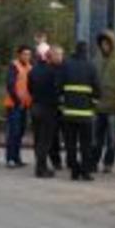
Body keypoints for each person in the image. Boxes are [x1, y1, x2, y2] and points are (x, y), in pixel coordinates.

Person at [58, 42, 100, 181]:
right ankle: (85, 172)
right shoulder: (91, 66)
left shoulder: (66, 65)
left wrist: (63, 101)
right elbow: (97, 89)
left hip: (69, 113)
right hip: (86, 114)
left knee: (70, 144)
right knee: (85, 145)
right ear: (86, 51)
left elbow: (58, 86)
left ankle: (74, 171)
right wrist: (93, 104)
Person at [92, 30, 115, 174]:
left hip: (114, 106)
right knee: (96, 138)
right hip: (99, 105)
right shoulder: (97, 59)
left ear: (112, 44)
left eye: (107, 43)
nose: (104, 46)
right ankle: (93, 162)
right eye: (102, 44)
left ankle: (108, 163)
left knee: (112, 139)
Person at [29, 45, 63, 178]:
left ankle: (40, 166)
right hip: (48, 109)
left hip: (35, 107)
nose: (60, 58)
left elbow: (30, 88)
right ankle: (41, 169)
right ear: (50, 57)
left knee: (38, 140)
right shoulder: (53, 72)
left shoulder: (34, 70)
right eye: (58, 55)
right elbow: (57, 90)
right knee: (45, 141)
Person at [4, 45, 33, 168]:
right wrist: (17, 101)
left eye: (29, 54)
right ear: (19, 54)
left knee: (20, 132)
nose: (27, 56)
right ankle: (10, 158)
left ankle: (17, 158)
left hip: (25, 105)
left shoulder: (30, 67)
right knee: (13, 132)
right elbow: (10, 85)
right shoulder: (14, 66)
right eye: (25, 54)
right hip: (14, 105)